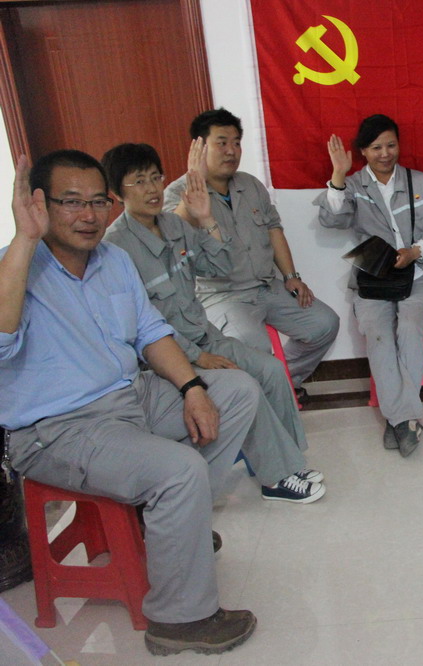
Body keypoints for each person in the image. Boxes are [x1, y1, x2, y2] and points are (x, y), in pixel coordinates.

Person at [0, 151, 258, 655]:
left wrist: (193, 388)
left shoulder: (113, 260)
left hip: (129, 396)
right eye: (71, 202)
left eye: (98, 201)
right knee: (179, 470)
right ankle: (179, 621)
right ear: (39, 205)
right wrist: (25, 240)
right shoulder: (15, 268)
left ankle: (168, 526)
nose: (88, 214)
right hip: (59, 429)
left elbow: (150, 332)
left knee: (236, 391)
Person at [102, 142, 325, 503]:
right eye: (138, 182)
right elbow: (144, 328)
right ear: (116, 194)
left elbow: (221, 267)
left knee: (270, 370)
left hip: (205, 336)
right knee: (243, 381)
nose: (152, 189)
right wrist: (198, 358)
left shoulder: (174, 224)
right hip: (169, 356)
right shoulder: (116, 249)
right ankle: (277, 475)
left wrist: (205, 219)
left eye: (155, 178)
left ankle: (287, 463)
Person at [163, 108, 340, 402]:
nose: (231, 151)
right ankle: (261, 397)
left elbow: (273, 229)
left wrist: (291, 276)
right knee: (253, 344)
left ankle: (282, 383)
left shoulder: (251, 185)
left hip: (266, 286)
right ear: (199, 147)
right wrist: (195, 185)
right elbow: (170, 237)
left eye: (236, 143)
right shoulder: (177, 191)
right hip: (222, 296)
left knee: (324, 323)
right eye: (222, 143)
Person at [314, 114, 423, 456]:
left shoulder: (419, 181)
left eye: (391, 145)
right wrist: (338, 175)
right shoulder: (353, 185)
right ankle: (404, 420)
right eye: (376, 147)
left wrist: (415, 251)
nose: (385, 153)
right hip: (374, 279)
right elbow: (331, 219)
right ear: (363, 151)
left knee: (408, 327)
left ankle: (396, 420)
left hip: (421, 275)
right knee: (377, 333)